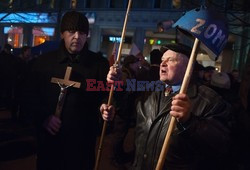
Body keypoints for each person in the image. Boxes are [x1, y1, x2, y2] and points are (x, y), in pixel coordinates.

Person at [101, 43, 232, 170]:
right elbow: (125, 103)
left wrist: (190, 122)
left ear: (188, 68)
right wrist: (113, 99)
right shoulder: (149, 88)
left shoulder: (209, 100)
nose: (163, 63)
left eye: (171, 60)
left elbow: (222, 144)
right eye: (162, 60)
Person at [26, 11, 109, 170]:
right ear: (62, 33)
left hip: (81, 147)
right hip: (50, 145)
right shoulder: (43, 63)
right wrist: (44, 117)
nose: (77, 36)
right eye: (72, 32)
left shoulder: (99, 64)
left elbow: (103, 95)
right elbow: (29, 96)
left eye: (82, 32)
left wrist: (105, 106)